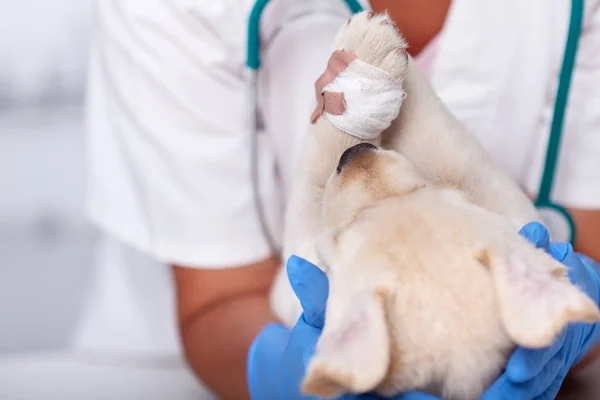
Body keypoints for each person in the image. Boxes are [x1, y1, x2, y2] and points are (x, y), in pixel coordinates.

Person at [2, 0, 598, 399]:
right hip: (178, 363)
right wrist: (291, 373)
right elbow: (220, 300)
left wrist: (566, 319)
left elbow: (592, 239)